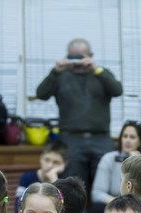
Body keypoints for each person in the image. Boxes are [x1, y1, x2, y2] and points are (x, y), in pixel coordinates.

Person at [35, 38, 123, 188]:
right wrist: (55, 72)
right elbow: (41, 94)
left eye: (80, 57)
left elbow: (117, 91)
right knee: (72, 187)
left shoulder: (101, 74)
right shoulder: (61, 75)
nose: (77, 62)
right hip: (71, 140)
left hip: (100, 139)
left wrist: (96, 69)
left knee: (108, 186)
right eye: (72, 57)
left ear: (90, 55)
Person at [87, 121, 141, 213]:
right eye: (125, 136)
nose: (127, 140)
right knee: (97, 210)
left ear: (139, 141)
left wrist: (136, 165)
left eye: (132, 137)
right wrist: (119, 203)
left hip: (137, 205)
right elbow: (97, 193)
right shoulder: (109, 158)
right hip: (113, 204)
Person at [14, 140, 67, 213]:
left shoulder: (64, 182)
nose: (50, 165)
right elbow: (18, 207)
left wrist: (55, 182)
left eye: (56, 162)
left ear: (63, 164)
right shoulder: (26, 178)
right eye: (47, 160)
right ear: (41, 158)